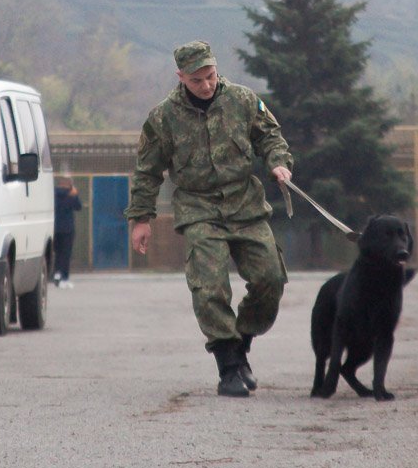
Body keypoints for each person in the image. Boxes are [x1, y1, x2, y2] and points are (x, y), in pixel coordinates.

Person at [125, 40, 293, 397]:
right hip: (199, 209)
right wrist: (141, 219)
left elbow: (270, 136)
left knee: (271, 278)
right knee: (209, 286)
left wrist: (278, 162)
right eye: (198, 79)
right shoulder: (162, 118)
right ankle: (228, 366)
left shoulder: (244, 100)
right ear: (181, 77)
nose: (207, 85)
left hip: (245, 205)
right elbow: (147, 171)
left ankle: (241, 340)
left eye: (211, 76)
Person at [53, 176, 82, 288]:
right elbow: (78, 207)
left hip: (54, 228)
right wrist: (75, 194)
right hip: (67, 229)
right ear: (69, 184)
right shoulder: (71, 194)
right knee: (66, 254)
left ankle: (56, 274)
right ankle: (64, 278)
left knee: (57, 252)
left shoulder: (53, 194)